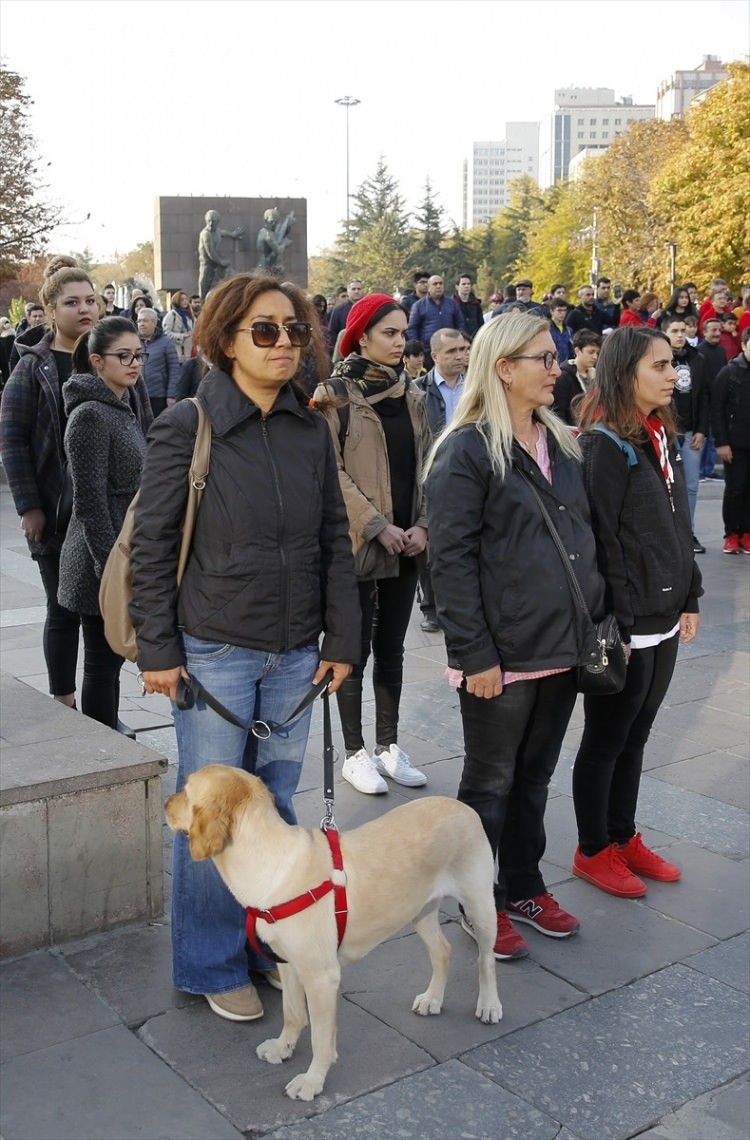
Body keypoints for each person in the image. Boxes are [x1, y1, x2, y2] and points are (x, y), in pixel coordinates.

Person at [130, 273, 359, 1021]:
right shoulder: (187, 425)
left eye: (295, 329)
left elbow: (334, 538)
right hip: (214, 654)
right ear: (224, 339)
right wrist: (159, 652)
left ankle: (266, 939)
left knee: (278, 804)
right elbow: (154, 546)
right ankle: (209, 961)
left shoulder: (310, 429)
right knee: (212, 817)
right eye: (265, 330)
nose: (286, 343)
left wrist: (343, 637)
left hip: (296, 653)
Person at [424, 312, 606, 959]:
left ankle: (524, 884)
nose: (557, 370)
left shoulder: (559, 440)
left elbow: (582, 535)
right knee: (489, 784)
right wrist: (475, 655)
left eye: (555, 359)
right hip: (499, 656)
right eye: (544, 359)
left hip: (559, 646)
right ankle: (479, 901)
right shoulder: (467, 450)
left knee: (535, 776)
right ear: (504, 367)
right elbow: (449, 563)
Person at [571, 325, 702, 898]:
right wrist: (618, 624)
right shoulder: (603, 443)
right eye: (661, 365)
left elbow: (678, 524)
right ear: (627, 373)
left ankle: (623, 836)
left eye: (672, 364)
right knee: (607, 739)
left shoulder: (656, 434)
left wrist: (691, 594)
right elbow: (602, 541)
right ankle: (593, 849)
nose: (673, 375)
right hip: (630, 622)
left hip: (666, 611)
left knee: (638, 734)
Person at [314, 294, 432, 796]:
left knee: (393, 648)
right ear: (361, 336)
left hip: (409, 540)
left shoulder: (414, 394)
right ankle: (355, 752)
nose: (400, 342)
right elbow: (329, 471)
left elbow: (430, 464)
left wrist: (423, 524)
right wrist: (376, 524)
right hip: (359, 541)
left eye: (404, 332)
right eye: (389, 332)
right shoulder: (333, 394)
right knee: (352, 650)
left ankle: (388, 746)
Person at [0, 264, 101, 708]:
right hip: (56, 513)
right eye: (72, 302)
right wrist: (29, 506)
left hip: (105, 514)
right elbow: (13, 439)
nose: (84, 309)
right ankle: (64, 702)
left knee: (103, 617)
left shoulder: (111, 356)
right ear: (50, 310)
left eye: (90, 300)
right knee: (62, 613)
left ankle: (104, 710)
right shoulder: (32, 366)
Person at [58, 318, 149, 729]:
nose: (134, 364)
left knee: (109, 661)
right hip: (100, 555)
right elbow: (90, 502)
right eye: (123, 356)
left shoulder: (121, 405)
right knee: (101, 662)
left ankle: (108, 735)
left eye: (139, 354)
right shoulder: (91, 415)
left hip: (123, 545)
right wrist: (111, 566)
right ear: (97, 361)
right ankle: (103, 747)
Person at [662, 315, 709, 553]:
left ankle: (688, 532)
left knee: (691, 485)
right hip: (667, 431)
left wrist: (702, 429)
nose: (680, 335)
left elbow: (703, 396)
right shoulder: (659, 359)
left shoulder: (697, 358)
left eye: (683, 330)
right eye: (675, 330)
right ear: (666, 333)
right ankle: (671, 533)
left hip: (691, 431)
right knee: (668, 484)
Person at [712, 327, 750, 554]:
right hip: (735, 443)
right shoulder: (730, 372)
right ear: (744, 345)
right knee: (736, 489)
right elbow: (717, 409)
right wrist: (722, 442)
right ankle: (731, 534)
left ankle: (747, 532)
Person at [552, 330, 602, 425]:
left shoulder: (596, 376)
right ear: (577, 351)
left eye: (597, 353)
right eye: (591, 352)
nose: (595, 357)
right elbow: (559, 412)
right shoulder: (564, 377)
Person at [137, 308, 180, 416]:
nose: (141, 324)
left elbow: (174, 370)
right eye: (139, 321)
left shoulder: (166, 342)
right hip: (138, 394)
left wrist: (171, 395)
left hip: (159, 396)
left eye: (145, 321)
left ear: (155, 322)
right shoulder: (134, 342)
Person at [162, 290, 195, 362]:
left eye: (186, 299)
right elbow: (166, 332)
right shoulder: (171, 315)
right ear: (177, 301)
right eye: (182, 300)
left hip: (189, 352)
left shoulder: (190, 315)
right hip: (176, 353)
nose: (185, 301)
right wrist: (181, 336)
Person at [454, 274, 484, 340]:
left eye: (468, 284)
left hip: (475, 338)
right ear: (457, 286)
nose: (466, 286)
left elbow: (481, 323)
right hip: (459, 339)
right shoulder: (453, 304)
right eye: (463, 284)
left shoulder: (476, 304)